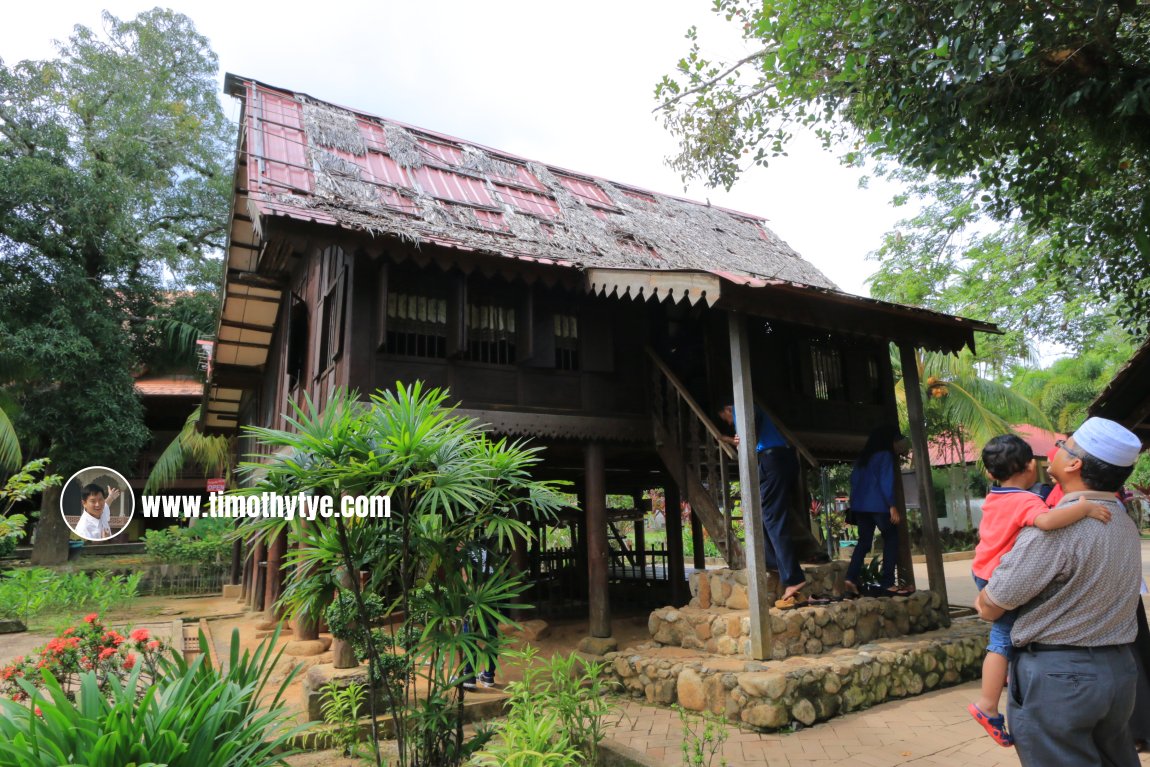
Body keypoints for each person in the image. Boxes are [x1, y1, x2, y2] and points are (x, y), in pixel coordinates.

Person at [976, 418, 1143, 766]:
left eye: (1064, 448)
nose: (1055, 452)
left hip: (1061, 679)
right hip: (1118, 672)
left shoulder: (1053, 530)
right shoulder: (1124, 523)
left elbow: (993, 606)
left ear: (1073, 464)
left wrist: (983, 596)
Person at [966, 434, 1109, 747]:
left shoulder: (996, 495)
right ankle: (987, 705)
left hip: (983, 570)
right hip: (998, 578)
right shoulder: (1026, 501)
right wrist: (1084, 509)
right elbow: (1045, 522)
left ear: (990, 474)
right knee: (1000, 641)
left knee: (1005, 638)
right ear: (1032, 466)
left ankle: (1001, 690)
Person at [717, 403, 804, 608]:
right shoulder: (749, 416)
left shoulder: (742, 407)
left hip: (772, 460)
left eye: (726, 418)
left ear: (728, 409)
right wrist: (730, 439)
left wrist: (744, 436)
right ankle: (774, 562)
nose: (729, 422)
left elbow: (752, 424)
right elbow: (748, 438)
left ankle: (793, 577)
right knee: (766, 516)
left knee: (772, 518)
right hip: (780, 460)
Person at [843, 426, 905, 597]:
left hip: (860, 507)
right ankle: (888, 583)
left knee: (864, 542)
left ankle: (850, 577)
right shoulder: (885, 456)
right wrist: (892, 505)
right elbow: (886, 482)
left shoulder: (862, 459)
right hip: (878, 505)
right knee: (891, 537)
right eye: (895, 441)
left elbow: (853, 482)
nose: (896, 445)